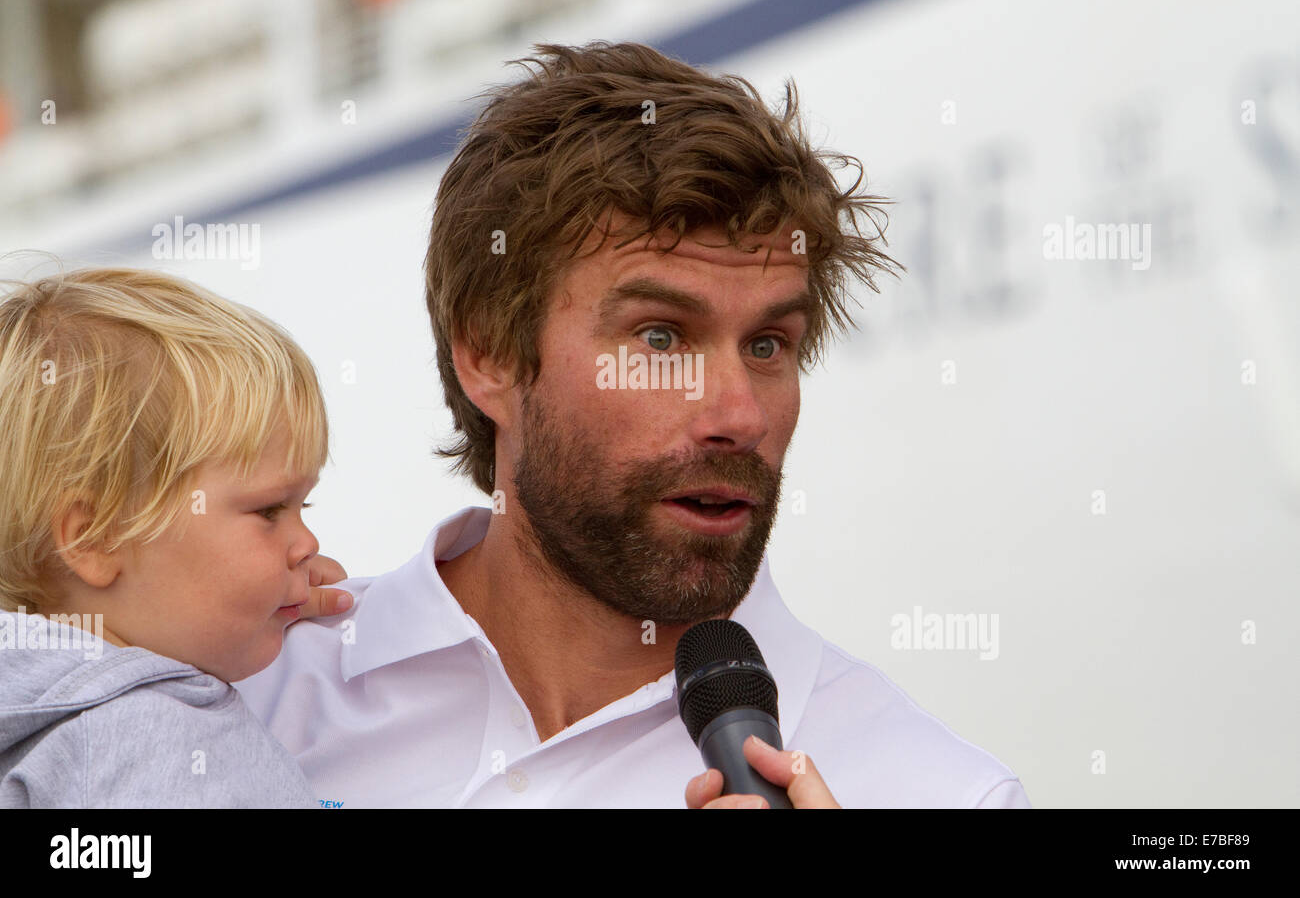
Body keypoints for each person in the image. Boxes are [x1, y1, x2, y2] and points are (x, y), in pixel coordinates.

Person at [235, 41, 1031, 808]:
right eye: (660, 338)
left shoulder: (944, 793)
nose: (739, 416)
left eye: (766, 345)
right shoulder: (238, 694)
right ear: (490, 353)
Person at [0, 266, 342, 807]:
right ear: (96, 540)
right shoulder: (143, 742)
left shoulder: (50, 724)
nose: (307, 543)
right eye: (269, 510)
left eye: (304, 505)